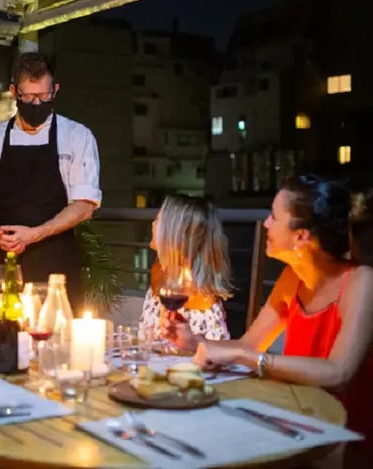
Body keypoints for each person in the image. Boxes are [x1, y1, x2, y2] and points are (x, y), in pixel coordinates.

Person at [165, 175, 373, 466]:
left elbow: (339, 373)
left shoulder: (361, 281)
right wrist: (195, 341)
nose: (265, 224)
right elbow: (249, 344)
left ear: (302, 236)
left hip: (345, 439)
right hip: (299, 421)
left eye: (274, 217)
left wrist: (251, 358)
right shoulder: (293, 278)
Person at [0, 52, 102, 315]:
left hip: (56, 270)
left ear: (55, 90)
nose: (36, 103)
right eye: (28, 97)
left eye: (43, 96)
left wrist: (35, 234)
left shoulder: (77, 136)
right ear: (14, 91)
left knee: (57, 347)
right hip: (2, 267)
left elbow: (84, 206)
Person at [139, 194, 232, 343]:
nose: (152, 224)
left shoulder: (197, 306)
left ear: (175, 236)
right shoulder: (161, 277)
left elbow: (202, 360)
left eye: (158, 221)